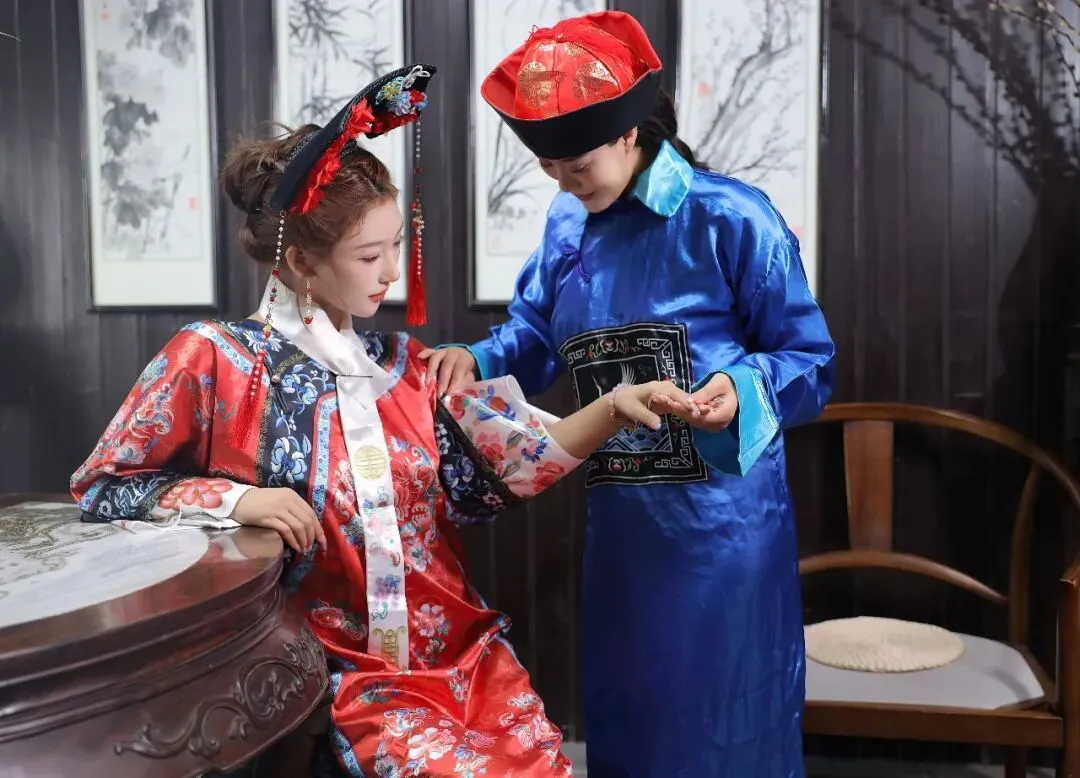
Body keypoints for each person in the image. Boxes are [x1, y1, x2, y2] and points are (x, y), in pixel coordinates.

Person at [70, 64, 694, 778]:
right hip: (324, 667)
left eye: (398, 245)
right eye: (370, 255)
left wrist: (612, 409)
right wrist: (238, 500)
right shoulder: (215, 361)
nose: (392, 271)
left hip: (456, 656)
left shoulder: (404, 367)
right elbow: (104, 484)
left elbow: (507, 463)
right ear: (300, 261)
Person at [421, 12, 837, 778]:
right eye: (548, 165)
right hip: (622, 536)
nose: (563, 180)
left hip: (723, 536)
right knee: (632, 721)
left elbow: (809, 360)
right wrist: (473, 357)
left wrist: (742, 387)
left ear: (628, 132)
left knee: (724, 727)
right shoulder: (567, 226)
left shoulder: (729, 218)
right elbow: (534, 333)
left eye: (576, 161)